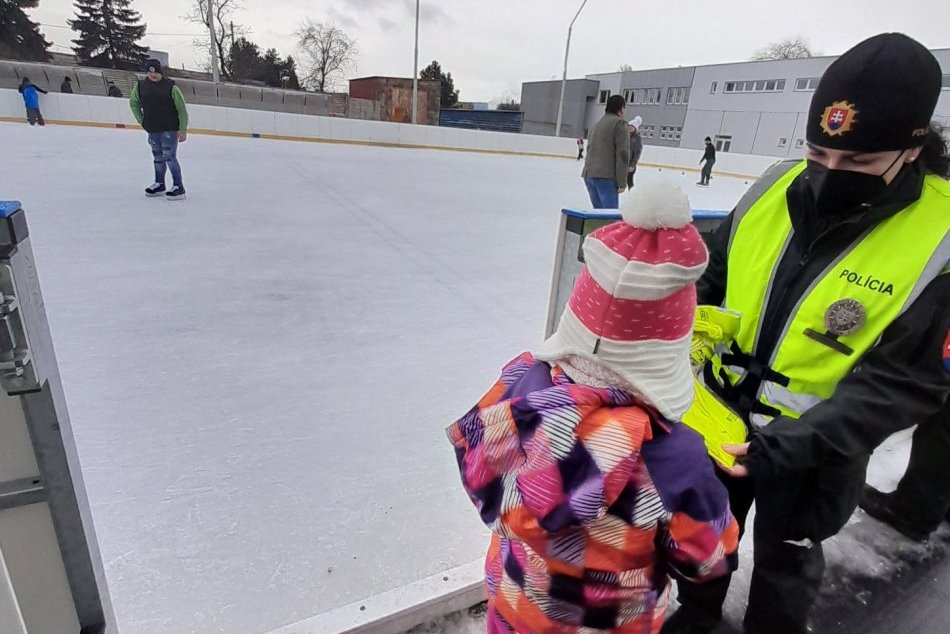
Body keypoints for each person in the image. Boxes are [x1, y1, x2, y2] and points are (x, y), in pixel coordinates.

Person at [661, 33, 950, 634]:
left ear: (913, 150)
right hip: (720, 422)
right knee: (703, 540)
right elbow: (710, 284)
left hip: (820, 453)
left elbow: (905, 382)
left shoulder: (940, 236)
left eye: (859, 162)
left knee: (786, 564)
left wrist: (793, 444)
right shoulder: (772, 186)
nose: (828, 174)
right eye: (817, 154)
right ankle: (699, 616)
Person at [448, 180, 739, 634]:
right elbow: (707, 557)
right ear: (668, 350)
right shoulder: (673, 457)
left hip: (515, 605)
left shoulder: (517, 387)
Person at [130, 59, 189, 201]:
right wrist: (141, 120)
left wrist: (182, 129)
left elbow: (181, 109)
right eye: (150, 72)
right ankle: (159, 183)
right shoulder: (140, 86)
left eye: (156, 72)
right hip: (153, 128)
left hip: (169, 128)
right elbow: (134, 103)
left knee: (169, 157)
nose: (153, 75)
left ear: (160, 72)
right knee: (157, 158)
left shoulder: (171, 87)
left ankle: (178, 186)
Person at [581, 94, 629, 208]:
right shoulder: (619, 124)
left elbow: (589, 149)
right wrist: (622, 181)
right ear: (621, 109)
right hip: (606, 176)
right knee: (609, 217)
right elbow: (622, 153)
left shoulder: (596, 125)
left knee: (598, 215)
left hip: (589, 174)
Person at [627, 115, 644, 190]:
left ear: (635, 129)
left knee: (629, 181)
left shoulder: (637, 139)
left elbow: (637, 153)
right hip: (621, 163)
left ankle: (630, 192)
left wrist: (632, 165)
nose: (630, 128)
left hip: (630, 164)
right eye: (629, 126)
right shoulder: (624, 136)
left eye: (632, 127)